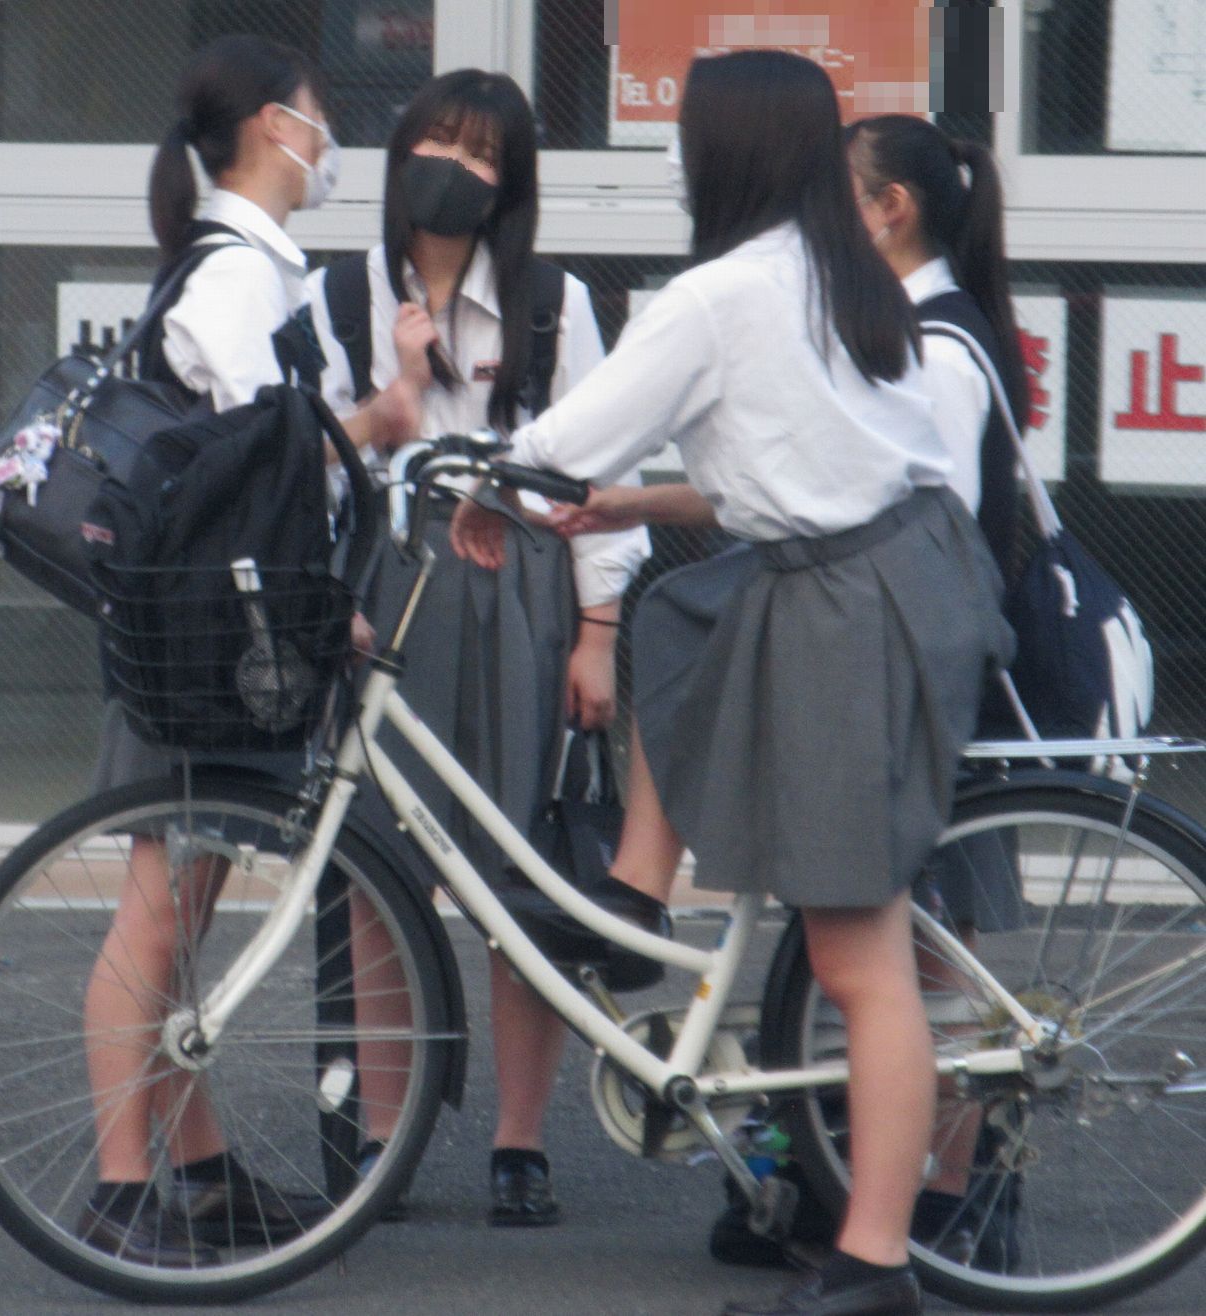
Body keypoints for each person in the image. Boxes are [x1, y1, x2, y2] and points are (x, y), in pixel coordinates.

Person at [452, 49, 1012, 1316]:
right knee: (681, 615)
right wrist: (625, 501)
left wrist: (479, 479)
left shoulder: (723, 292)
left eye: (683, 136)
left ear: (724, 150)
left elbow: (574, 428)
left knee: (858, 954)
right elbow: (785, 459)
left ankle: (875, 1260)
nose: (671, 159)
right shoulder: (835, 275)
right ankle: (630, 892)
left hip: (844, 608)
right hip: (884, 580)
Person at [78, 34, 409, 1267]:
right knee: (158, 918)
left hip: (214, 638)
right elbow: (254, 473)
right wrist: (374, 423)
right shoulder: (233, 279)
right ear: (279, 123)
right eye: (323, 114)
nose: (334, 140)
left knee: (183, 922)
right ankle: (119, 1192)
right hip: (206, 646)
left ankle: (204, 1174)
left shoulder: (247, 265)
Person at [307, 68, 649, 1226]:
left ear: (510, 185)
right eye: (438, 141)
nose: (454, 168)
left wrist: (597, 633)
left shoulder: (550, 300)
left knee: (520, 870)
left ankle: (518, 1143)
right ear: (400, 152)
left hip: (523, 593)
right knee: (375, 877)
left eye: (483, 153)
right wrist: (399, 380)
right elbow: (312, 461)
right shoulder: (336, 292)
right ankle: (380, 1143)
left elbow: (603, 475)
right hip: (383, 592)